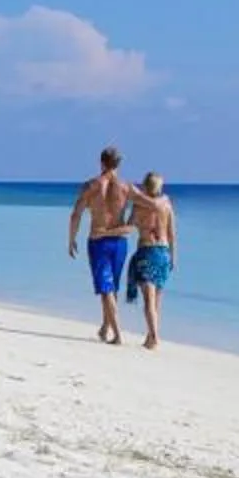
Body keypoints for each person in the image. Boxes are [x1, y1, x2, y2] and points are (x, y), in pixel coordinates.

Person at [65, 146, 137, 345]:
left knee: (106, 289)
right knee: (111, 288)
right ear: (118, 164)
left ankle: (118, 335)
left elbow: (76, 214)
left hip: (98, 241)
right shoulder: (127, 188)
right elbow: (147, 203)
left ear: (101, 162)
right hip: (120, 243)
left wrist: (71, 239)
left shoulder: (91, 186)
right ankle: (105, 328)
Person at [126, 172, 178, 350]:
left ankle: (154, 338)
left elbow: (129, 225)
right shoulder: (167, 205)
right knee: (156, 302)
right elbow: (172, 233)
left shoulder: (139, 205)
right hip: (163, 253)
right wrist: (173, 255)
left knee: (149, 301)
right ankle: (151, 337)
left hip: (147, 252)